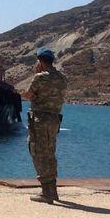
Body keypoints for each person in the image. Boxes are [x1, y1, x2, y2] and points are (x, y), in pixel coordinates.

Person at [22, 47, 67, 204]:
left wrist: (28, 95)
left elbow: (28, 95)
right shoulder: (62, 78)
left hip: (40, 119)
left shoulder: (40, 77)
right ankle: (52, 190)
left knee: (37, 151)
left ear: (40, 61)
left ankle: (46, 192)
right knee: (49, 151)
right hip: (54, 119)